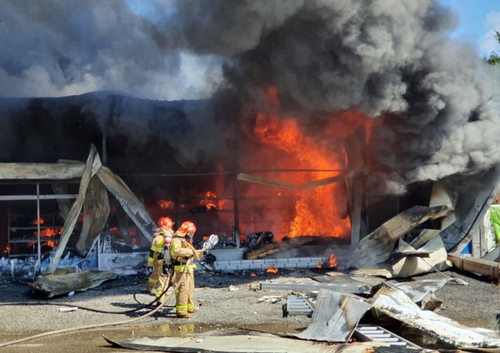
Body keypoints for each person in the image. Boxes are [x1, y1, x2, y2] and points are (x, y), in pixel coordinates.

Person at [170, 221, 205, 318]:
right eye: (190, 233)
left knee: (190, 289)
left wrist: (203, 252)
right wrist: (189, 252)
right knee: (183, 290)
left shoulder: (185, 241)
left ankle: (189, 307)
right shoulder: (176, 240)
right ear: (185, 232)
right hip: (181, 270)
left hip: (188, 269)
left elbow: (193, 253)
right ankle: (181, 312)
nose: (191, 235)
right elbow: (176, 251)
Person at [146, 216, 174, 294]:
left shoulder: (156, 238)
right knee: (164, 276)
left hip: (159, 260)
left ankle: (150, 287)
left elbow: (152, 252)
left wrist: (150, 264)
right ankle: (162, 293)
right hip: (168, 260)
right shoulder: (173, 237)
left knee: (156, 274)